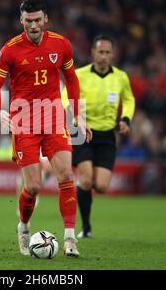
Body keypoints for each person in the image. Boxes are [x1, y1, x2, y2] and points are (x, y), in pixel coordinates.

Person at [0, 0, 92, 257]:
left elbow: (72, 80)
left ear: (46, 19)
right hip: (23, 122)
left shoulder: (61, 44)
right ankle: (23, 226)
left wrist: (79, 115)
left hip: (55, 118)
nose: (33, 25)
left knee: (66, 175)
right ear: (21, 20)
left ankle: (70, 238)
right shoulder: (10, 50)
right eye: (28, 20)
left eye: (37, 20)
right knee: (33, 186)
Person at [71, 35, 135, 238]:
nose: (104, 56)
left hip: (107, 135)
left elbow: (129, 99)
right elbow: (66, 97)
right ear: (93, 52)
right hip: (82, 132)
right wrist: (75, 118)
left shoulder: (121, 77)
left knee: (101, 186)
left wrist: (125, 119)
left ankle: (81, 187)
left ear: (113, 55)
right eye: (101, 52)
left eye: (108, 52)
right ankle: (85, 227)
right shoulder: (79, 75)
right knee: (87, 179)